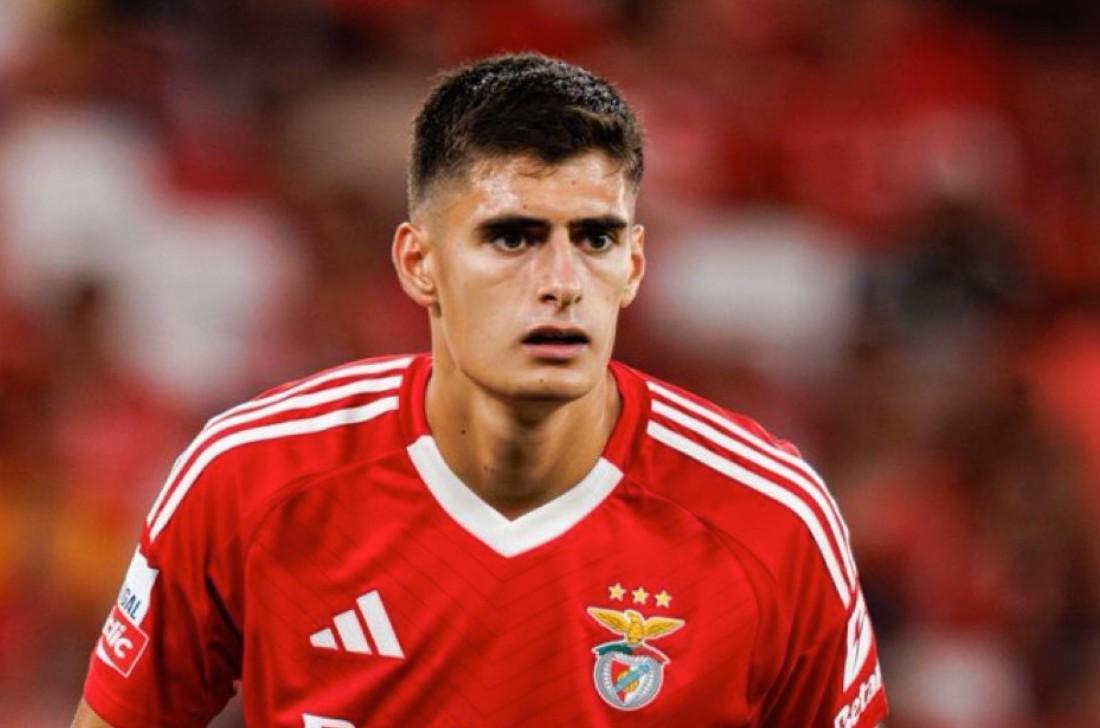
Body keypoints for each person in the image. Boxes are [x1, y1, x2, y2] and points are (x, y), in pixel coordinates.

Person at [74, 53, 888, 727]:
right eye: (512, 237)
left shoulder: (771, 519)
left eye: (595, 239)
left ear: (634, 266)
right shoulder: (252, 478)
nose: (561, 282)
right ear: (418, 263)